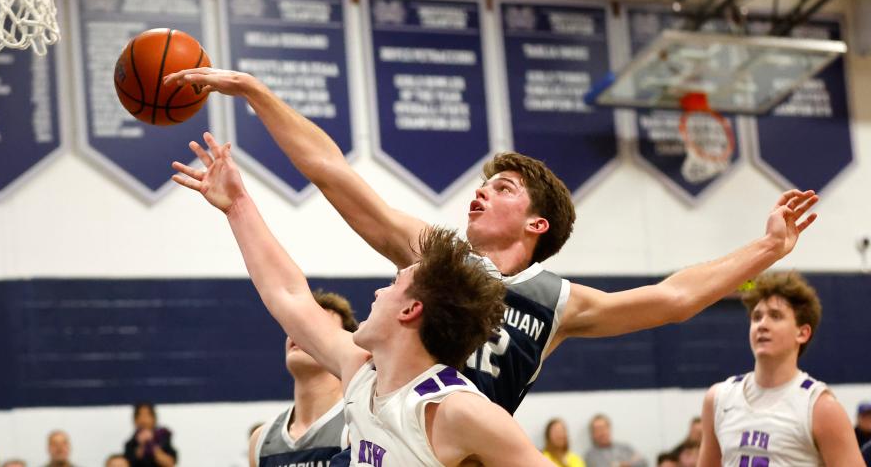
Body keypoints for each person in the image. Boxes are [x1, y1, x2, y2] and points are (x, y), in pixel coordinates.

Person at [164, 69, 819, 414]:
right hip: (391, 432)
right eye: (484, 185)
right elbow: (331, 172)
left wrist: (766, 249)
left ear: (538, 225)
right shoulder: (436, 257)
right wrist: (254, 93)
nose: (481, 192)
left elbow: (674, 297)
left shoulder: (558, 302)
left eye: (503, 188)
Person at [171, 133, 549, 466]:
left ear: (411, 309)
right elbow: (288, 295)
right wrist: (237, 205)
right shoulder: (363, 375)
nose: (378, 291)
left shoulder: (455, 410)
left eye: (395, 282)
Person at [696, 271, 864, 467]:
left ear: (802, 333)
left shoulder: (821, 408)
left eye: (775, 316)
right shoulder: (718, 398)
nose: (762, 325)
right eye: (757, 317)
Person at [249, 290, 358, 467]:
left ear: (343, 347)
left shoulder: (359, 424)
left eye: (316, 326)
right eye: (296, 325)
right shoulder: (261, 440)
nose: (301, 332)